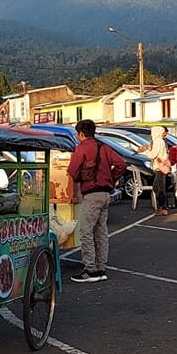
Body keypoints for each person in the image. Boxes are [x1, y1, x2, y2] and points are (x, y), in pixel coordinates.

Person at [68, 119, 119, 283]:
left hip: (91, 194)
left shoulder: (81, 148)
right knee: (101, 232)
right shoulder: (103, 147)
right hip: (106, 194)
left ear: (81, 133)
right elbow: (121, 164)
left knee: (86, 232)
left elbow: (73, 171)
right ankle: (101, 268)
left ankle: (90, 270)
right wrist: (111, 178)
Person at [146, 125, 173, 216]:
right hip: (161, 167)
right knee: (157, 187)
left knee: (159, 188)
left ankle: (163, 207)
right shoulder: (161, 141)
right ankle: (163, 206)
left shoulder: (158, 142)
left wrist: (146, 151)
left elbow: (153, 155)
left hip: (159, 168)